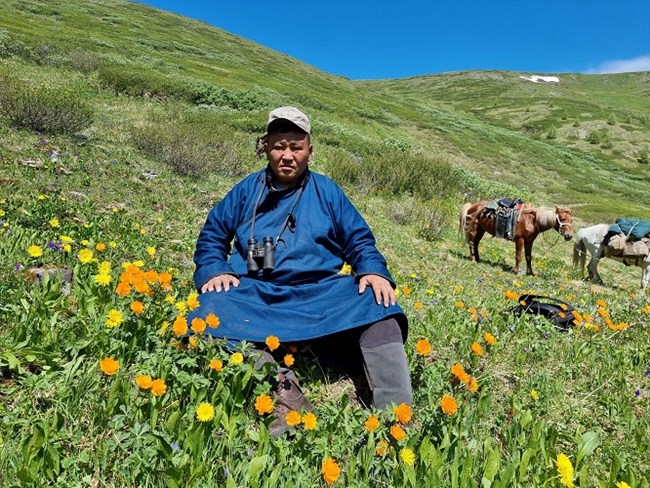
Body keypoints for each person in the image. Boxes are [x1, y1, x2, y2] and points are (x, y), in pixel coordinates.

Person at [188, 106, 412, 436]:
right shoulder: (246, 190)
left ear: (310, 150)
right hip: (257, 292)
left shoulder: (328, 192)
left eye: (296, 146)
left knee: (379, 303)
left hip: (319, 293)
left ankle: (396, 416)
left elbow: (358, 238)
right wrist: (213, 269)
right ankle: (285, 396)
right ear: (265, 147)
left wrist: (372, 270)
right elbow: (213, 233)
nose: (287, 155)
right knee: (208, 306)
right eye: (279, 146)